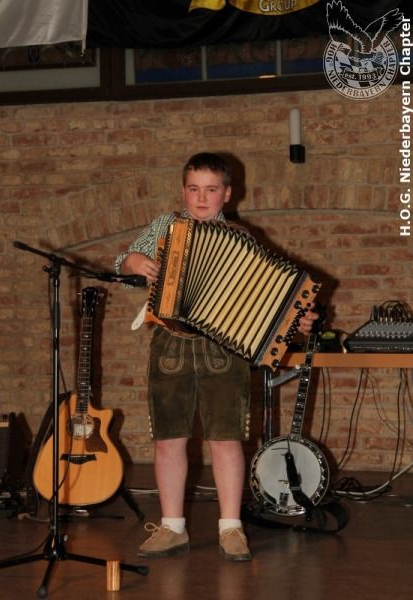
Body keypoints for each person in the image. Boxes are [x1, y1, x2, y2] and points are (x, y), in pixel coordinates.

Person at [115, 152, 318, 561]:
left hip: (224, 350)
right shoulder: (164, 226)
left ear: (227, 193)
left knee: (226, 439)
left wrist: (296, 319)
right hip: (170, 344)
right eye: (194, 189)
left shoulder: (242, 238)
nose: (201, 198)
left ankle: (230, 527)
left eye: (211, 190)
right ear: (183, 191)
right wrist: (136, 262)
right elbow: (123, 262)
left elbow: (266, 300)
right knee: (169, 439)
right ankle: (172, 527)